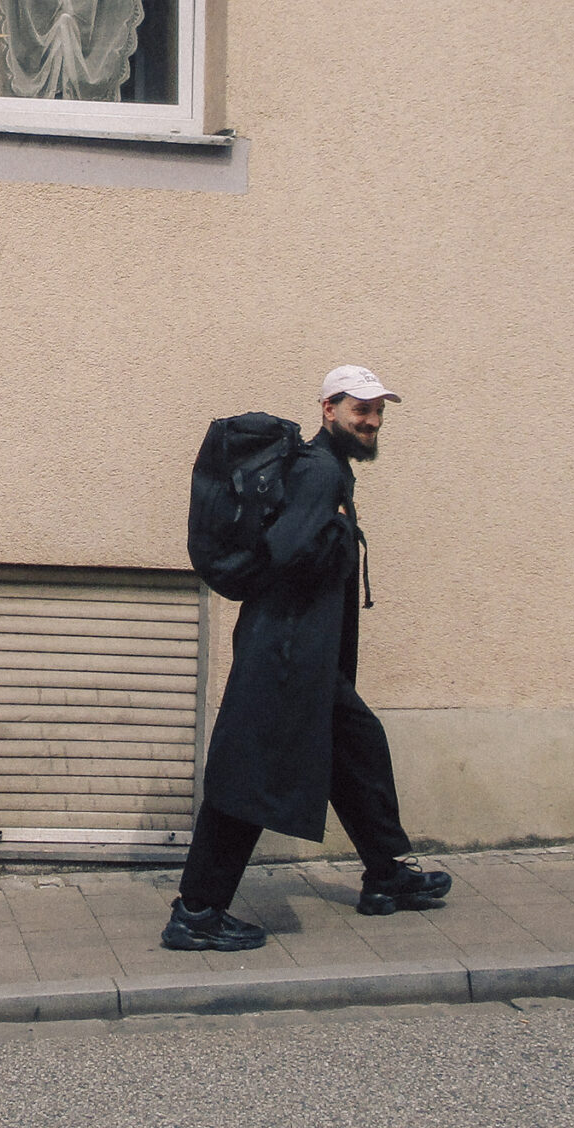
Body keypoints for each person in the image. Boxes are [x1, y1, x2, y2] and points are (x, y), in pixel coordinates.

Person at [163, 364, 451, 950]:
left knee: (354, 747)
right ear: (328, 410)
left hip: (305, 653)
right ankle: (197, 912)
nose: (370, 421)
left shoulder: (328, 469)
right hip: (285, 653)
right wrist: (342, 537)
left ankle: (386, 874)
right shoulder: (320, 471)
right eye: (359, 410)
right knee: (250, 775)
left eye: (377, 412)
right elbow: (287, 551)